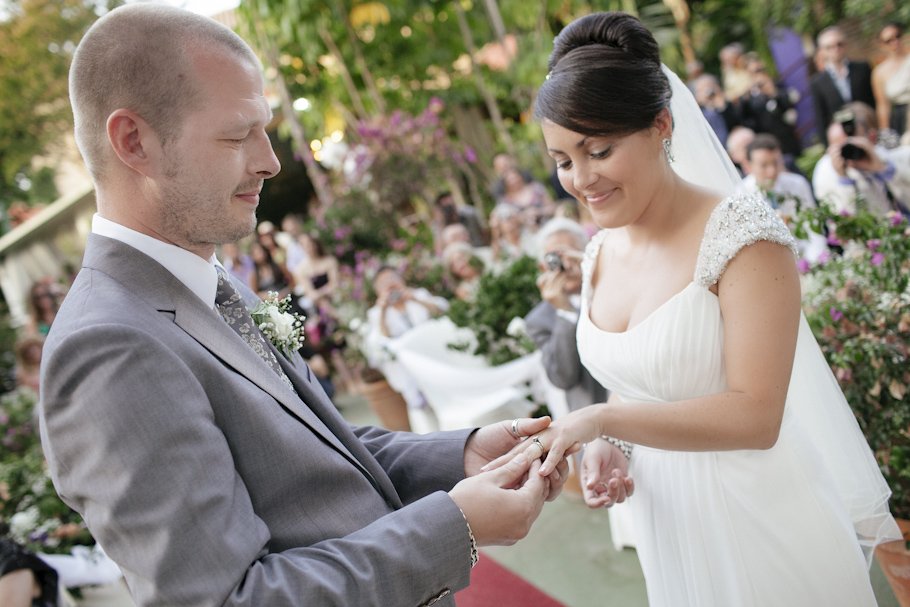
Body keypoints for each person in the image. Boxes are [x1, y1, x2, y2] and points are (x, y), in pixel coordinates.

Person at [39, 6, 574, 606]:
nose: (270, 159)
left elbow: (313, 448)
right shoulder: (109, 348)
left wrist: (459, 454)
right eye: (238, 133)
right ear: (133, 141)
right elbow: (227, 600)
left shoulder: (205, 278)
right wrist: (458, 527)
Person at [489, 12, 900, 606]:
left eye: (598, 150)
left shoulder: (744, 238)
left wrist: (602, 423)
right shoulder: (601, 248)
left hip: (759, 516)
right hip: (669, 520)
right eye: (561, 161)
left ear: (661, 125)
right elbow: (641, 378)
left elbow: (757, 417)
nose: (580, 179)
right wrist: (616, 443)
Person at [524, 218, 606, 413]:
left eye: (569, 254)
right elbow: (563, 378)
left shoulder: (609, 287)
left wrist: (593, 271)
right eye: (554, 258)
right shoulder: (539, 319)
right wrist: (565, 313)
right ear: (542, 267)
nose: (565, 265)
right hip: (596, 414)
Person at [812, 101, 910, 217]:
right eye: (838, 146)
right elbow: (846, 225)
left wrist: (884, 170)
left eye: (851, 143)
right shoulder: (825, 171)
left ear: (872, 138)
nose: (846, 151)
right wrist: (844, 180)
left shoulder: (893, 156)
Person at [810, 26, 876, 145]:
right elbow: (821, 117)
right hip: (841, 138)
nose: (836, 49)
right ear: (822, 51)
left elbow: (874, 101)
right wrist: (827, 146)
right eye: (829, 47)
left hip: (869, 131)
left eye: (839, 44)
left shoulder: (863, 68)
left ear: (845, 45)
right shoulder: (817, 82)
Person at [872, 22, 910, 139]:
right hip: (902, 119)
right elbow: (883, 106)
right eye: (889, 40)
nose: (895, 42)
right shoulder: (879, 72)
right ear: (882, 45)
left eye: (897, 36)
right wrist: (886, 133)